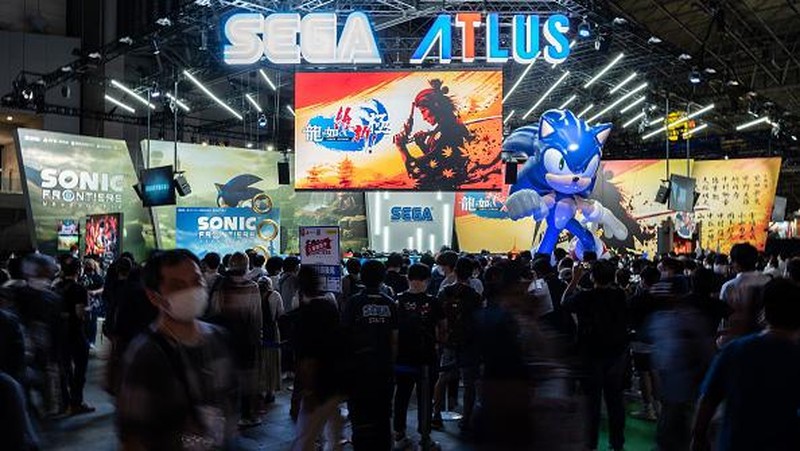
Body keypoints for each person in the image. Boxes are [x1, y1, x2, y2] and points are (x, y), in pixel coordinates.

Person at [117, 249, 237, 450]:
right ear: (154, 297)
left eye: (197, 281)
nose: (191, 290)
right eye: (177, 286)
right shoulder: (144, 355)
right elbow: (133, 437)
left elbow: (231, 402)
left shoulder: (218, 338)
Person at [691, 278, 800, 451]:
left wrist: (698, 437)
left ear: (763, 312)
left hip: (736, 441)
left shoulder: (736, 350)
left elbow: (708, 399)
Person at [563, 260, 629, 451]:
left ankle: (590, 443)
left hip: (590, 354)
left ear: (591, 277)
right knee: (615, 401)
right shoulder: (620, 295)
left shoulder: (585, 297)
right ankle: (617, 443)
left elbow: (564, 303)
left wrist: (574, 280)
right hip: (616, 353)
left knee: (591, 403)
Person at [343, 260, 398, 451]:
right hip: (383, 365)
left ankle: (361, 441)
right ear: (382, 278)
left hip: (358, 365)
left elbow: (345, 334)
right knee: (383, 409)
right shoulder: (390, 303)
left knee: (359, 408)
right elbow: (394, 339)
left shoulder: (353, 302)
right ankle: (383, 442)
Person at [290, 266, 345, 451]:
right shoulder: (330, 307)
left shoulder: (302, 315)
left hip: (318, 384)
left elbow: (306, 356)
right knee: (334, 430)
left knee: (305, 436)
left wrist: (308, 388)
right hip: (336, 378)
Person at [393, 263, 444, 450]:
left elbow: (394, 332)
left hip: (403, 357)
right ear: (428, 281)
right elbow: (442, 327)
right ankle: (425, 438)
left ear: (407, 278)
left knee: (401, 395)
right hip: (427, 357)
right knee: (425, 397)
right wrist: (439, 345)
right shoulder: (433, 302)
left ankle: (399, 435)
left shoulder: (397, 300)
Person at [209, 252, 263, 427]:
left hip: (224, 338)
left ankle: (226, 414)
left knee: (226, 376)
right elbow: (256, 317)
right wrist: (257, 336)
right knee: (247, 377)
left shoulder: (221, 285)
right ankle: (246, 415)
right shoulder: (252, 287)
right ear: (247, 266)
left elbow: (215, 311)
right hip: (246, 339)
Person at [393, 79, 474, 190]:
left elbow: (416, 171)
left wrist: (401, 148)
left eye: (423, 111)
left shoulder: (446, 131)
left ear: (436, 105)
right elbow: (439, 158)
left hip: (444, 189)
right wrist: (421, 144)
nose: (424, 117)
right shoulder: (447, 127)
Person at [432, 257, 482, 431]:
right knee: (469, 383)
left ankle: (436, 414)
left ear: (455, 271)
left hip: (448, 341)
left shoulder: (444, 292)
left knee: (442, 378)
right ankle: (466, 419)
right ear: (472, 273)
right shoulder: (475, 296)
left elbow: (437, 318)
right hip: (469, 343)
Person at [53, 257, 95, 414]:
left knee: (64, 369)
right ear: (79, 270)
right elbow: (80, 313)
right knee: (80, 370)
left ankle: (64, 403)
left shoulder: (56, 287)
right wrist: (88, 309)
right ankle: (76, 402)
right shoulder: (79, 289)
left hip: (60, 333)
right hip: (76, 333)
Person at [626, 265, 662, 422]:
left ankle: (648, 408)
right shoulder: (663, 298)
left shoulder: (637, 299)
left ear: (642, 280)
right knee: (655, 372)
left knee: (643, 374)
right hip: (659, 340)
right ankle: (659, 406)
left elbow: (630, 320)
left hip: (641, 340)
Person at [718, 243, 771, 347]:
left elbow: (724, 318)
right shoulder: (768, 281)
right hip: (764, 338)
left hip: (734, 341)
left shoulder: (729, 287)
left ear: (735, 263)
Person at [257, 276, 283, 405]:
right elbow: (280, 314)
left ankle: (260, 389)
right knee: (272, 360)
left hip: (257, 332)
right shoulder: (275, 295)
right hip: (272, 332)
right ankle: (271, 391)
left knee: (260, 360)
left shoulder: (255, 295)